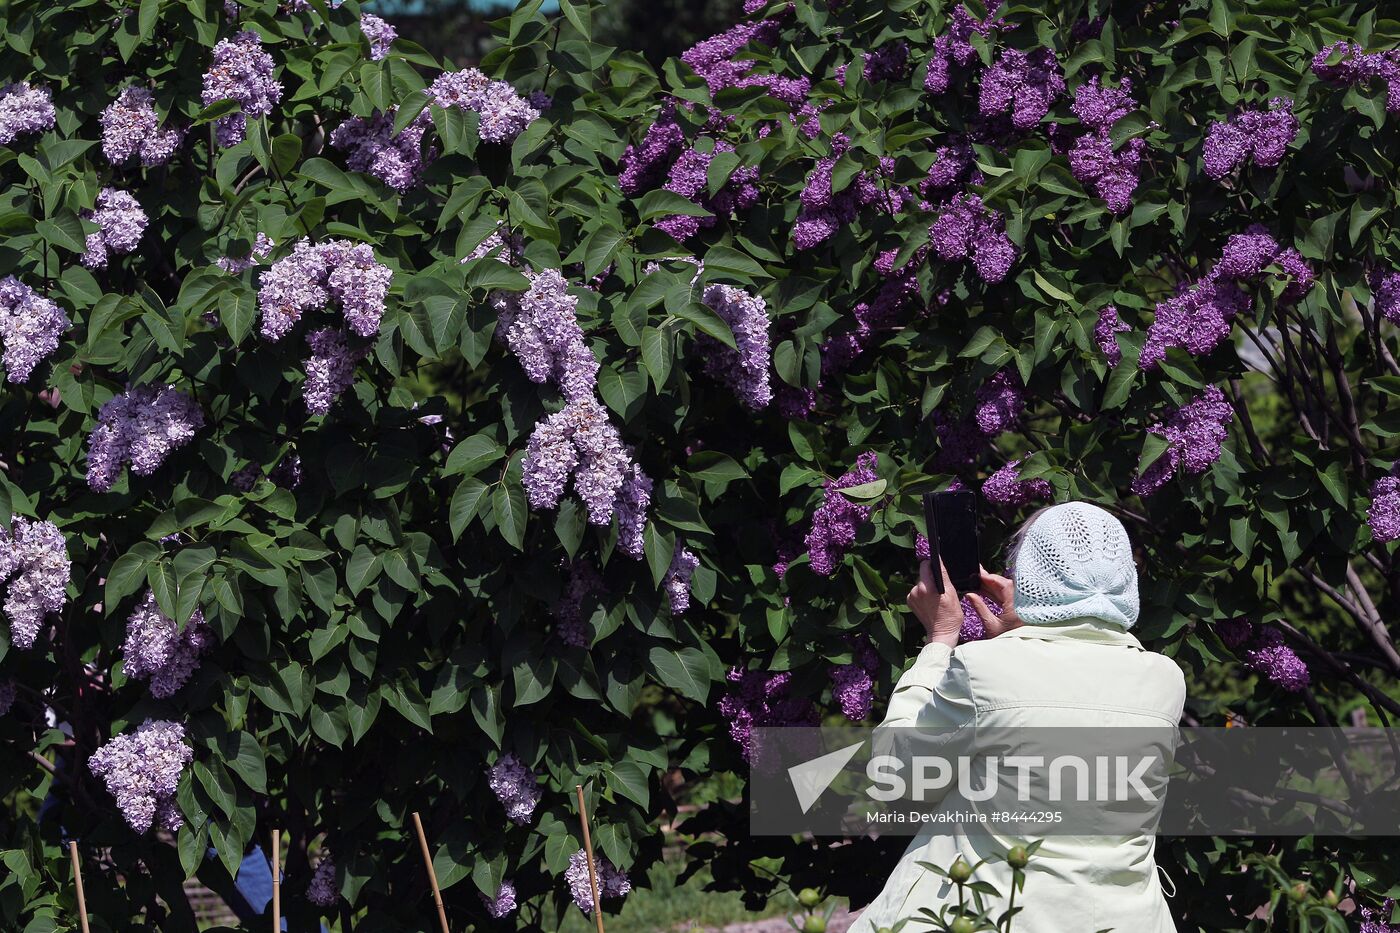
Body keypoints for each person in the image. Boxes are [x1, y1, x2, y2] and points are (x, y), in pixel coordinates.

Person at [850, 500, 1186, 933]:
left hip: (991, 918)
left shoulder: (981, 668)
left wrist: (939, 642)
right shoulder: (1165, 680)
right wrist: (1022, 632)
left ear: (1030, 576)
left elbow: (895, 779)